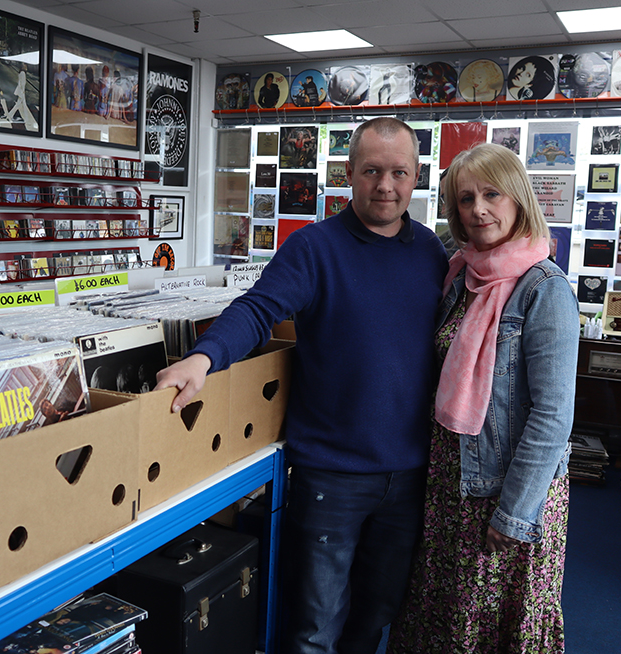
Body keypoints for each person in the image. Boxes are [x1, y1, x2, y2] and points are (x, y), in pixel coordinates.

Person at [154, 117, 449, 654]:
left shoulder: (431, 250)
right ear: (348, 174)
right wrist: (204, 357)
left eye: (399, 172)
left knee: (376, 615)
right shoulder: (313, 248)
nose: (386, 185)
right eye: (372, 171)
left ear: (417, 176)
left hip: (409, 474)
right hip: (330, 475)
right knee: (314, 628)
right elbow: (257, 308)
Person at [386, 143, 579, 654]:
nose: (479, 209)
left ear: (518, 198)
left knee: (489, 627)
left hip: (505, 491)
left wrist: (514, 514)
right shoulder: (460, 276)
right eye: (466, 198)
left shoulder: (545, 288)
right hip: (450, 483)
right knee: (443, 619)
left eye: (492, 193)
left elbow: (554, 417)